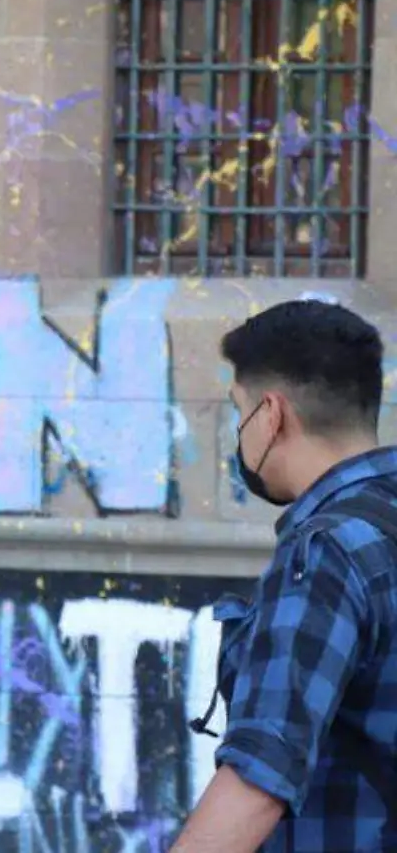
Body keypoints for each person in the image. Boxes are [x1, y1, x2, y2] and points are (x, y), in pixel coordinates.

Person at [172, 299, 397, 852]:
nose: (237, 431)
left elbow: (261, 771)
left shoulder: (325, 550)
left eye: (237, 410)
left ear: (271, 414)